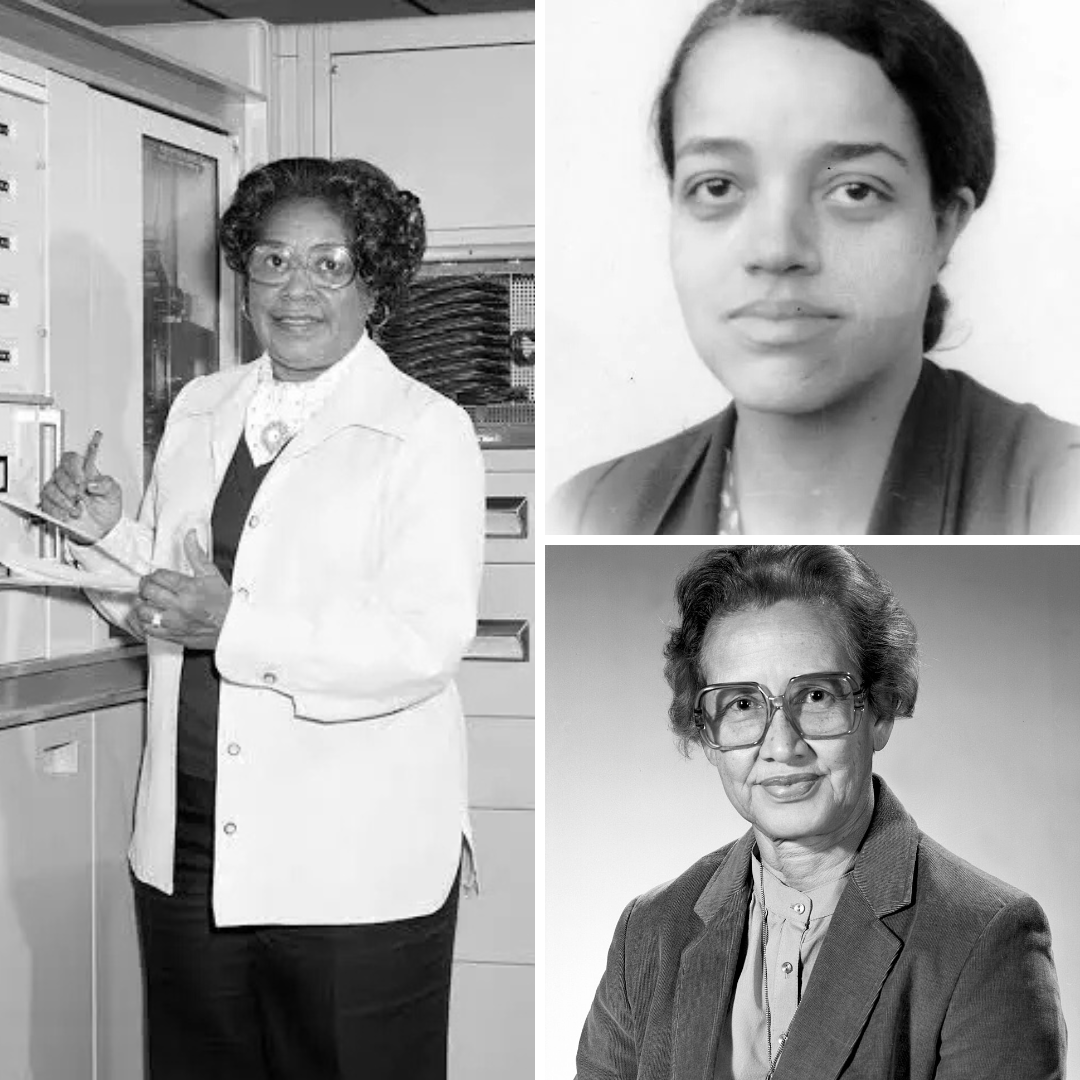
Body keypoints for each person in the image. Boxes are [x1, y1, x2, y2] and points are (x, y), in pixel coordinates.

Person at [40, 157, 485, 1080]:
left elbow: (420, 643)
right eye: (274, 261)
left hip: (350, 858)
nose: (297, 289)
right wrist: (101, 536)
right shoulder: (202, 407)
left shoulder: (426, 429)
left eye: (332, 264)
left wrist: (231, 626)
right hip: (194, 840)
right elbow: (162, 605)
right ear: (244, 275)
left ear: (376, 284)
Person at [552, 0, 1080, 535]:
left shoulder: (1060, 495)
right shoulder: (591, 510)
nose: (776, 249)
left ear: (945, 223)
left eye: (854, 190)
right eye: (717, 186)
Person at [576, 546, 1066, 1079]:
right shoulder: (648, 932)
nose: (782, 745)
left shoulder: (985, 940)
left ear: (879, 711)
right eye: (741, 704)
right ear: (708, 734)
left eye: (814, 696)